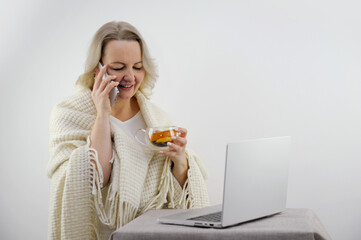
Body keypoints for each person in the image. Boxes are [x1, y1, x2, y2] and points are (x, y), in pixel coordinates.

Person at [46, 21, 209, 240]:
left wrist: (180, 160)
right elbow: (94, 178)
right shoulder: (69, 113)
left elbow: (176, 193)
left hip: (152, 233)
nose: (130, 77)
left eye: (137, 67)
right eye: (118, 67)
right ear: (98, 69)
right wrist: (103, 113)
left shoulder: (156, 117)